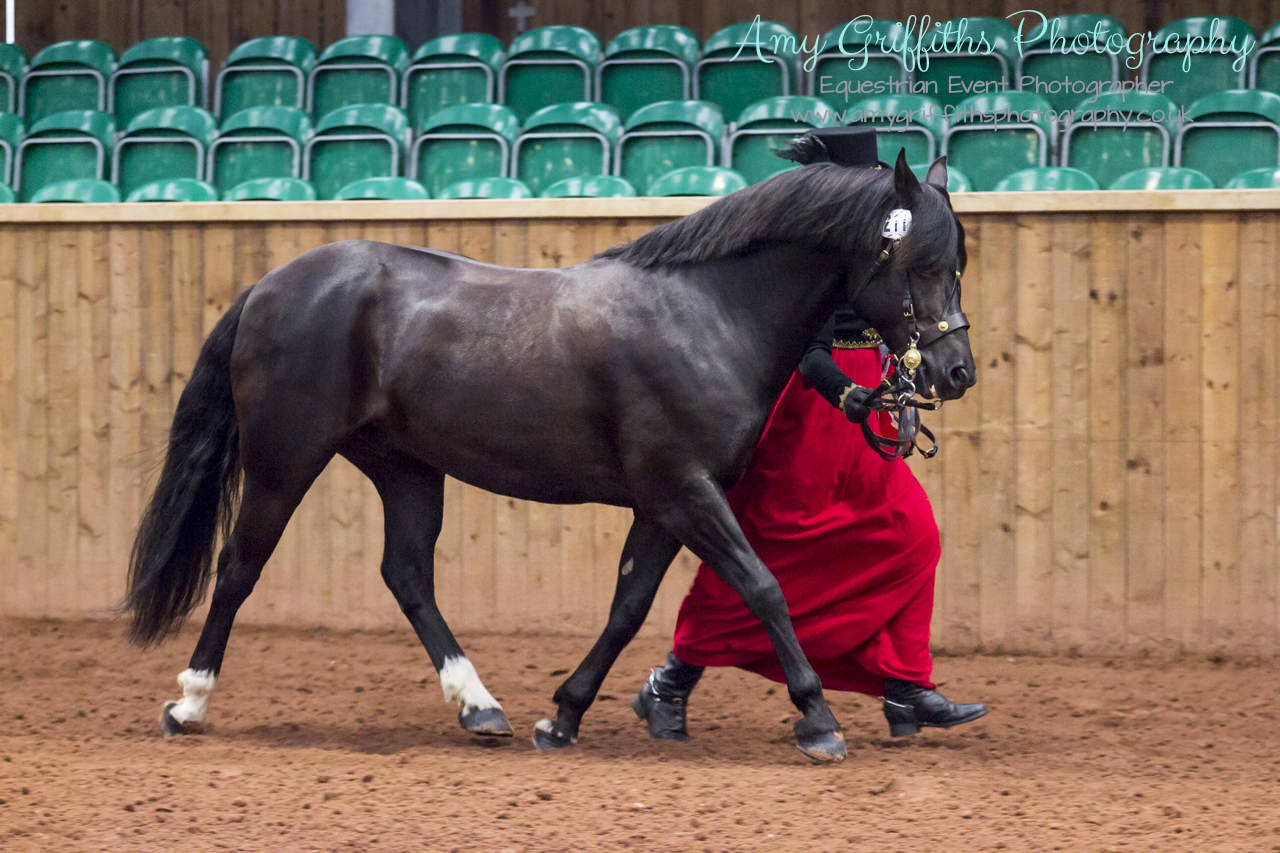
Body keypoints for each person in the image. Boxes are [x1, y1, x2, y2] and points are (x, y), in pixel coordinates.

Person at [631, 126, 987, 741]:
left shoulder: (874, 248)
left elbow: (888, 331)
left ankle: (905, 686)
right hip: (809, 418)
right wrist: (851, 397)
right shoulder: (810, 255)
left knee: (913, 537)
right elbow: (809, 354)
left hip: (863, 419)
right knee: (769, 553)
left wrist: (896, 396)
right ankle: (672, 680)